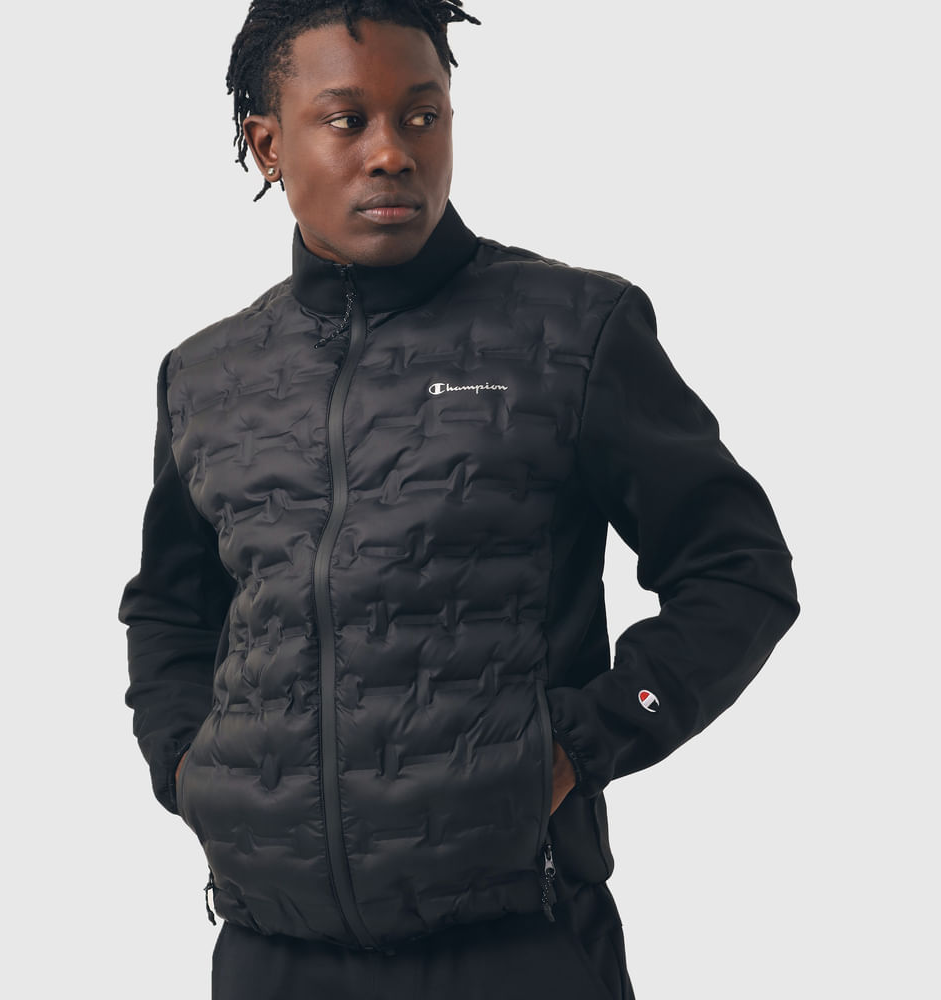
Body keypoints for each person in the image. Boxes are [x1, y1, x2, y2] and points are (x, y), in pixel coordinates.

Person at [117, 2, 801, 997]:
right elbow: (171, 608)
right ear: (267, 144)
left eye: (421, 116)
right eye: (347, 120)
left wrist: (581, 744)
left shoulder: (572, 332)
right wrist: (185, 766)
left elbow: (736, 570)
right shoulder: (208, 375)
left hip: (513, 941)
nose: (392, 153)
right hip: (271, 947)